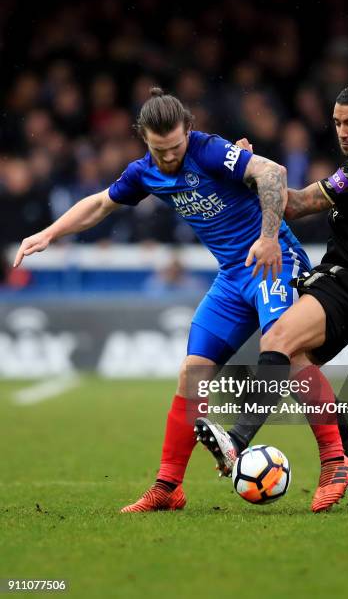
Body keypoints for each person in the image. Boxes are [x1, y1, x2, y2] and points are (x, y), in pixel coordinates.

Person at [14, 87, 314, 512]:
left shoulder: (209, 151)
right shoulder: (143, 172)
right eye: (160, 150)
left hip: (272, 262)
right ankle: (169, 487)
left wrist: (268, 238)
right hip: (232, 277)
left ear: (188, 132)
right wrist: (48, 234)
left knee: (287, 352)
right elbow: (100, 205)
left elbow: (273, 174)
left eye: (175, 147)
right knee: (191, 374)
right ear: (144, 140)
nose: (170, 157)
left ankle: (342, 461)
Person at [198, 79, 348, 512]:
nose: (344, 133)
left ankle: (238, 439)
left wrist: (251, 168)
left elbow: (293, 204)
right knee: (296, 362)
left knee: (276, 341)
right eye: (337, 124)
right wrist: (255, 173)